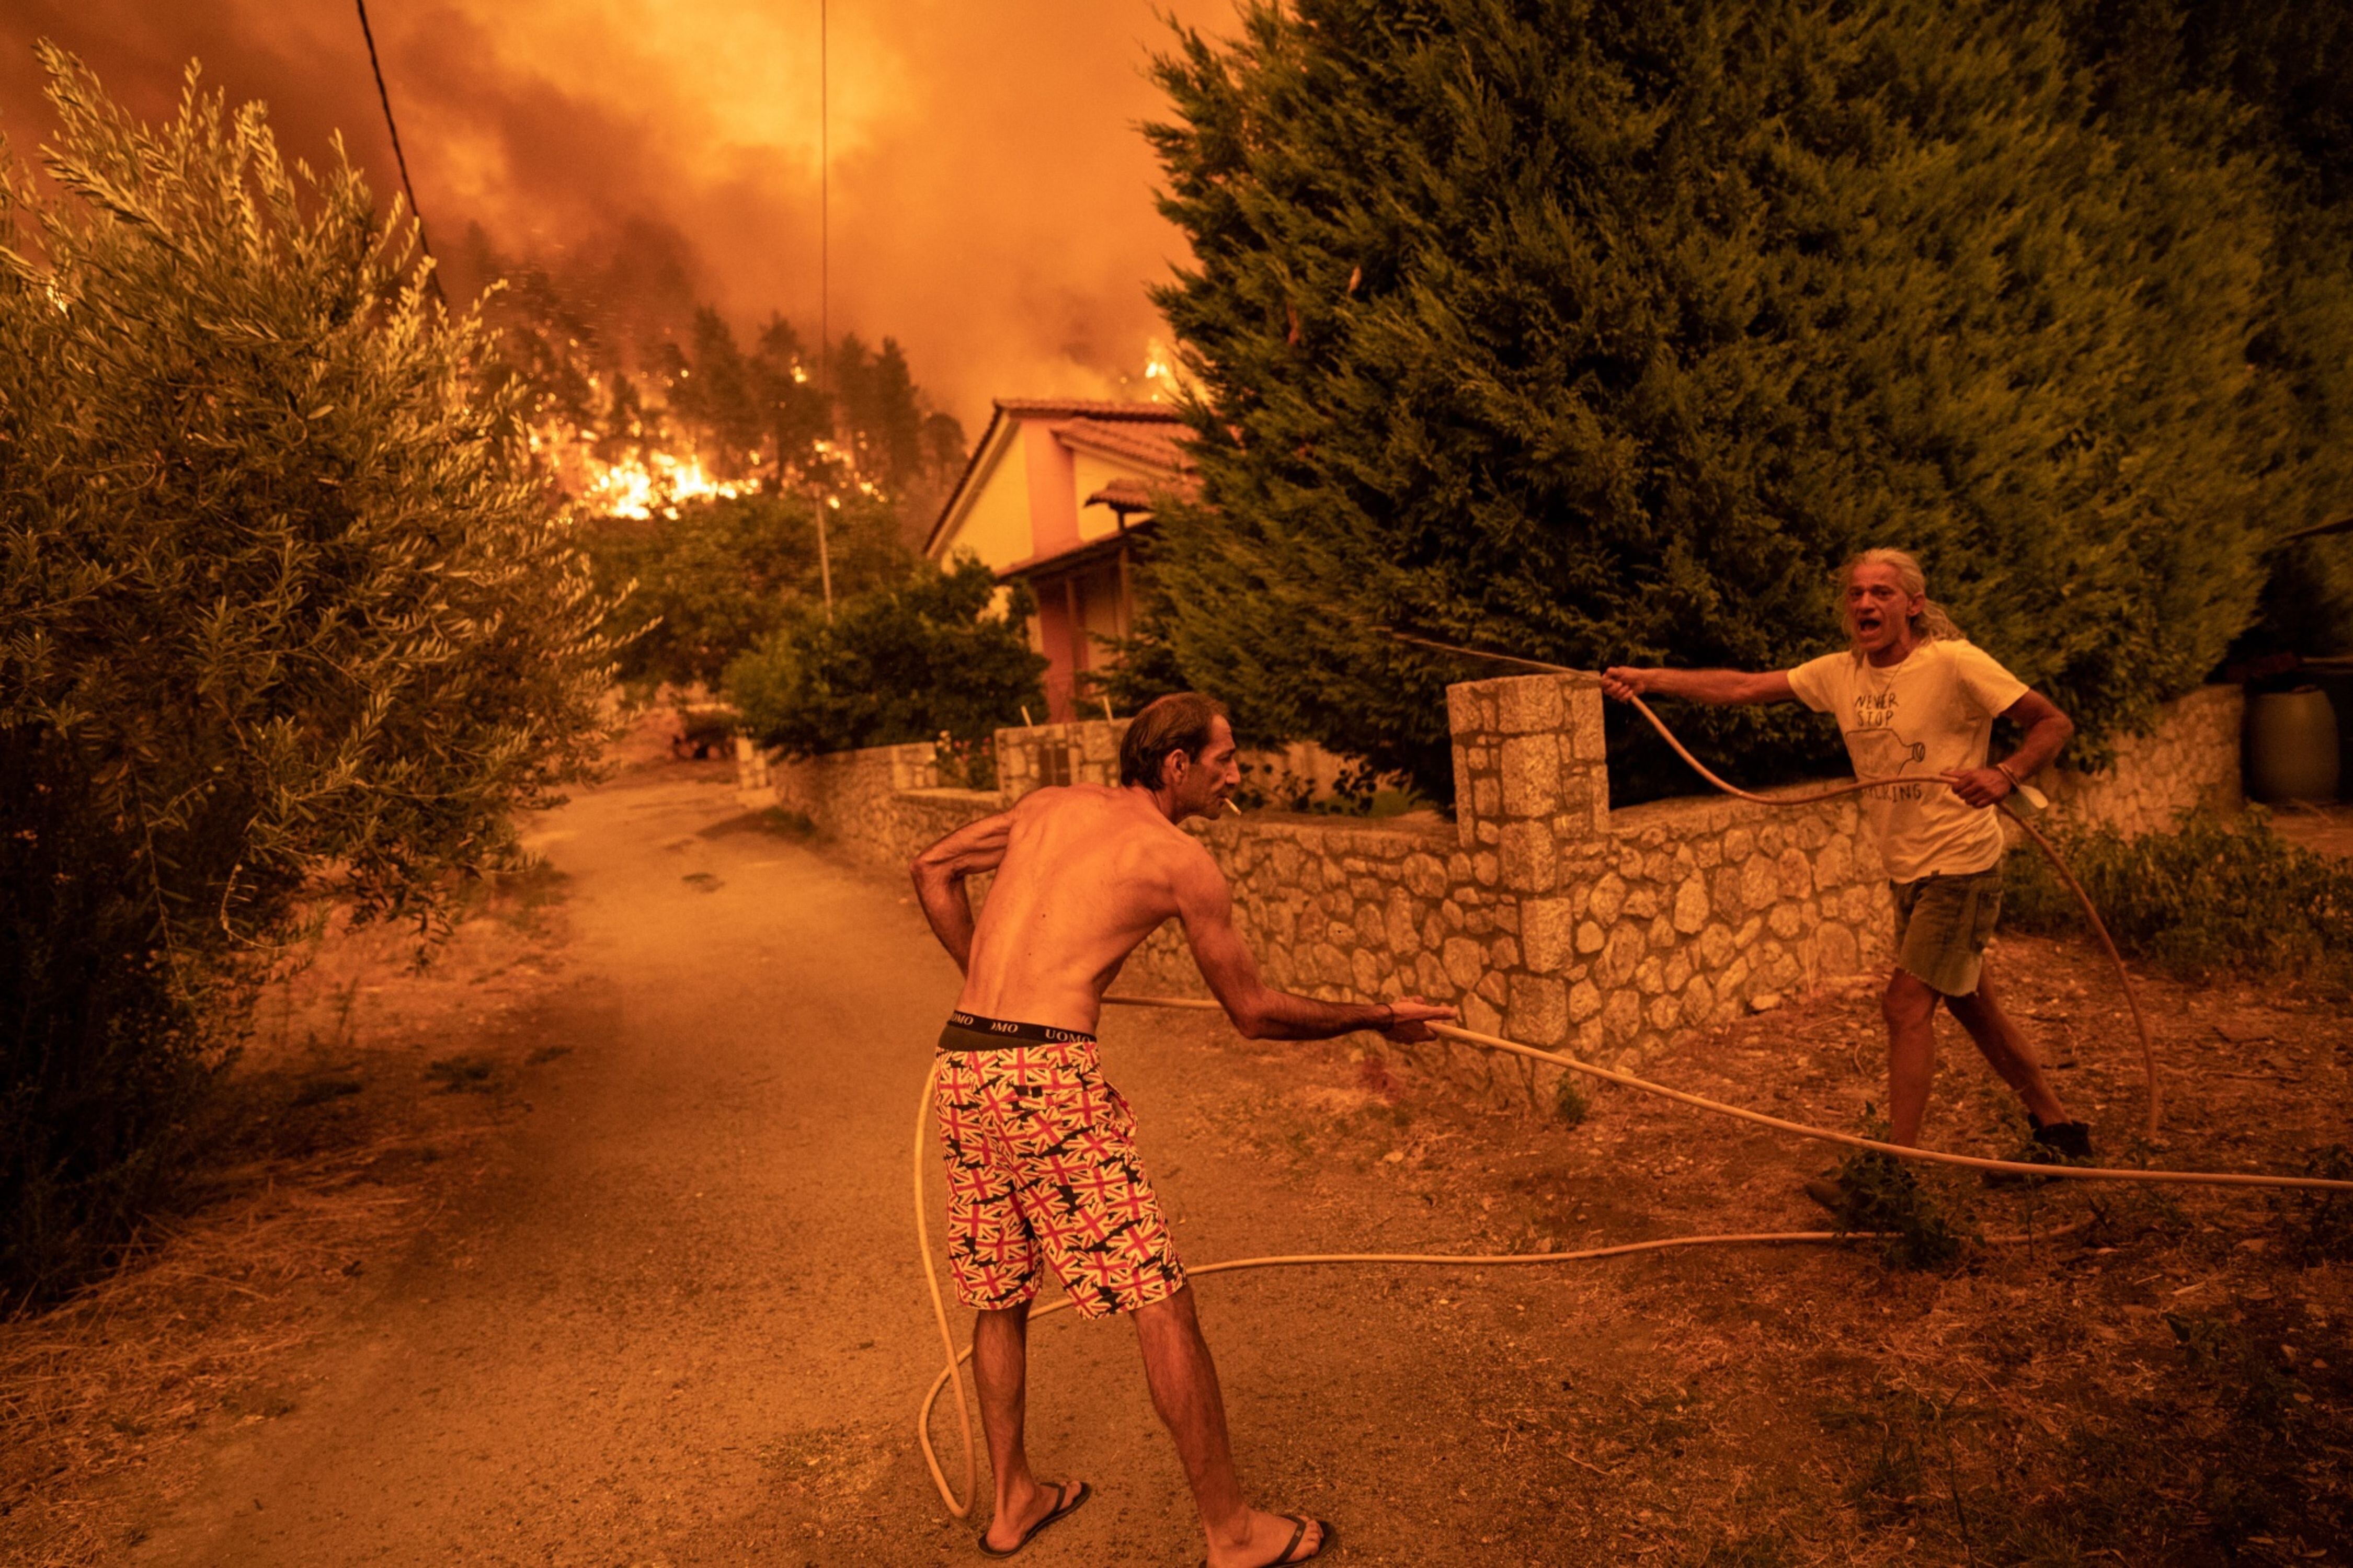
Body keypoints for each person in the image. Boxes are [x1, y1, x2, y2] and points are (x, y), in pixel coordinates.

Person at [910, 692, 1454, 1565]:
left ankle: (1013, 1501)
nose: (1237, 773)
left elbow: (931, 865)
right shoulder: (1180, 858)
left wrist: (991, 988)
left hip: (965, 1060)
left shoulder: (1048, 806)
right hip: (1045, 1075)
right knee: (1159, 1295)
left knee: (1001, 1288)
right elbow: (1254, 1011)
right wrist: (1379, 1014)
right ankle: (1232, 1531)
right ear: (1175, 765)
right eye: (1225, 758)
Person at [1600, 547, 2093, 1210]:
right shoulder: (1840, 675)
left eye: (1883, 593)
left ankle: (1892, 1181)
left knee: (1904, 1005)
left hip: (1960, 864)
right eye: (1857, 593)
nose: (1866, 604)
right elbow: (1744, 687)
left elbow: (2051, 721)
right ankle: (2058, 1132)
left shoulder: (1954, 662)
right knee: (1973, 1004)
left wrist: (2006, 773)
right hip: (1909, 871)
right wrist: (1648, 679)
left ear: (1912, 605)